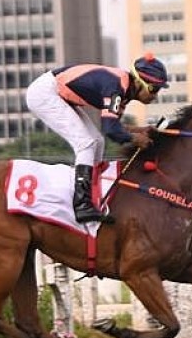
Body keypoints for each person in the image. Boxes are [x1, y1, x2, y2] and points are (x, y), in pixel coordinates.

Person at [25, 53, 169, 224]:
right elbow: (111, 130)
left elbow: (113, 125)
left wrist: (140, 130)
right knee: (86, 143)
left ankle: (92, 197)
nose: (155, 96)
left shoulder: (123, 89)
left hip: (58, 94)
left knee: (97, 141)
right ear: (139, 82)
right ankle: (81, 204)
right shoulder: (116, 88)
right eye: (154, 89)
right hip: (45, 94)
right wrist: (136, 139)